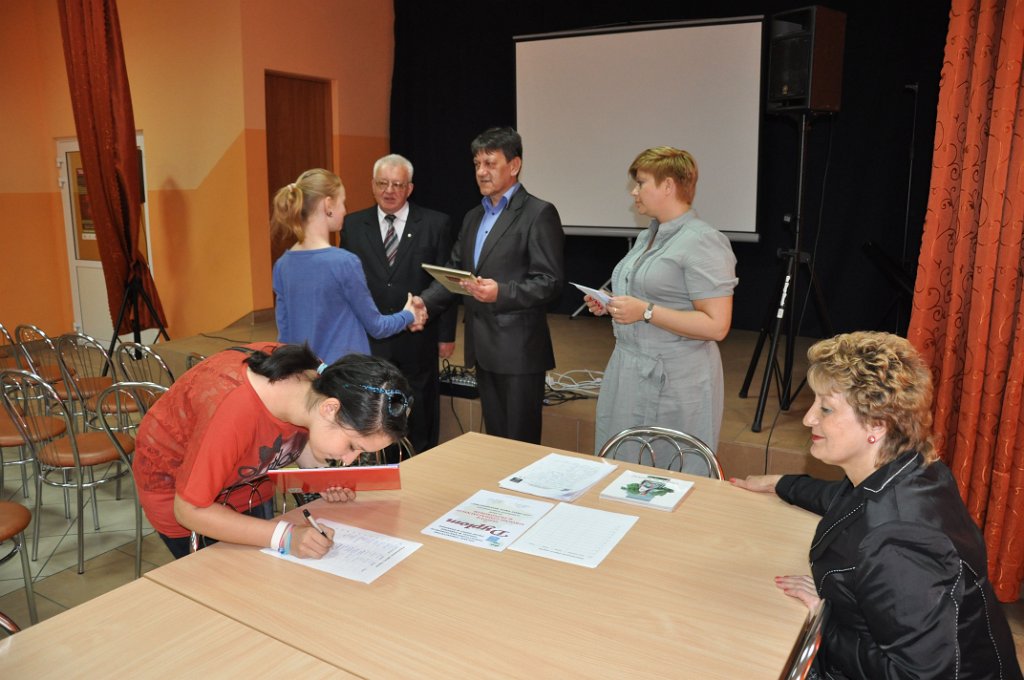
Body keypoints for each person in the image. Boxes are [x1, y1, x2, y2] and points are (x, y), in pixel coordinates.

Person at [732, 332, 1023, 680]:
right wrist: (781, 484)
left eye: (825, 408)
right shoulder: (910, 468)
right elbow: (849, 502)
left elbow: (917, 676)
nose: (809, 418)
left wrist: (822, 618)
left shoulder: (899, 544)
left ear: (876, 425)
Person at [133, 342, 413, 560]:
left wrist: (319, 476)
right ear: (330, 408)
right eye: (353, 447)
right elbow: (189, 510)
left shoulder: (316, 382)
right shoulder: (234, 412)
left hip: (246, 483)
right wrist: (286, 537)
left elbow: (295, 430)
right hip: (185, 503)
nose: (349, 460)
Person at [586, 147, 736, 463]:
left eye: (641, 183)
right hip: (629, 371)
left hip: (676, 382)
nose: (634, 191)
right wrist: (611, 302)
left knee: (669, 472)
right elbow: (648, 295)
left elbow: (717, 325)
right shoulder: (648, 236)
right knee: (622, 466)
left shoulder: (703, 240)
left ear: (668, 186)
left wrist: (646, 312)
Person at [422, 127, 564, 444]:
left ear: (514, 165)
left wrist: (502, 292)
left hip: (519, 351)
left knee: (520, 444)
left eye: (490, 163)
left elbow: (551, 282)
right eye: (477, 164)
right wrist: (424, 303)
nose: (481, 172)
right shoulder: (473, 216)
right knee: (496, 443)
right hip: (483, 347)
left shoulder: (538, 213)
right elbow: (454, 272)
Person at [341, 154, 456, 454]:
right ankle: (384, 460)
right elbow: (347, 284)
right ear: (372, 185)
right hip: (372, 335)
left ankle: (422, 458)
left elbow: (445, 281)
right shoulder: (353, 225)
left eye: (397, 184)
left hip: (418, 335)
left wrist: (446, 335)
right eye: (383, 183)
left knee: (420, 402)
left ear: (410, 188)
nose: (389, 191)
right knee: (377, 406)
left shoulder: (435, 224)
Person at [270, 168, 426, 363]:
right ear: (328, 205)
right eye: (343, 202)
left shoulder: (282, 265)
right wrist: (408, 314)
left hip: (304, 374)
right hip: (344, 373)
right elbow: (377, 327)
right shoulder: (344, 262)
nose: (345, 210)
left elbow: (284, 338)